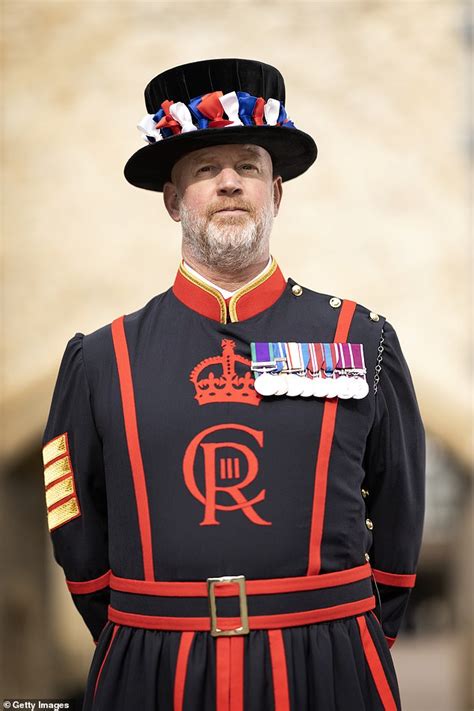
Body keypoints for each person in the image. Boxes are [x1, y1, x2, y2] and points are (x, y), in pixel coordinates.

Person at [41, 58, 426, 711]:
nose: (228, 183)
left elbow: (400, 509)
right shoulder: (101, 358)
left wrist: (346, 631)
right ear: (173, 200)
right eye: (203, 169)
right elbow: (72, 520)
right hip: (153, 666)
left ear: (275, 193)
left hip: (327, 662)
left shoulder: (362, 340)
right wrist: (144, 629)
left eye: (248, 166)